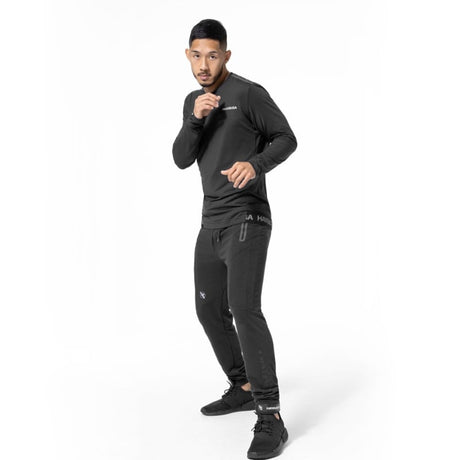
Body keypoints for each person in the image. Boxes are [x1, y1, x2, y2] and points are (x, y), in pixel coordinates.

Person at [172, 19, 297, 460]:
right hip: (210, 222)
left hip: (247, 217)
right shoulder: (194, 102)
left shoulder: (248, 94)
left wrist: (255, 164)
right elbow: (181, 158)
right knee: (208, 308)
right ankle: (242, 386)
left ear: (226, 55)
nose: (204, 65)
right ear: (187, 56)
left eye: (212, 55)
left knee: (244, 308)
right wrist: (195, 119)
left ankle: (271, 415)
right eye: (196, 55)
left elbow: (286, 138)